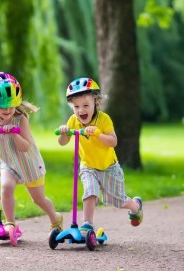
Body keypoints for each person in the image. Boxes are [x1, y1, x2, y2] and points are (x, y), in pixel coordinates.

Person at [57, 77, 143, 236]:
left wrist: (98, 134)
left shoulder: (103, 119)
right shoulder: (73, 121)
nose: (81, 110)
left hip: (109, 167)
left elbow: (113, 141)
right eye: (76, 106)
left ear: (95, 102)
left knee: (117, 200)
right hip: (88, 165)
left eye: (85, 105)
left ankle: (135, 206)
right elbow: (63, 142)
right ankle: (87, 224)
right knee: (90, 191)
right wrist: (64, 132)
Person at [0, 71, 63, 234]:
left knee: (38, 199)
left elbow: (26, 147)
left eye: (11, 105)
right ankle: (10, 223)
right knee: (5, 187)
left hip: (28, 164)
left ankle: (55, 217)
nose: (7, 110)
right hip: (8, 163)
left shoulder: (20, 119)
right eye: (2, 106)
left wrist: (14, 134)